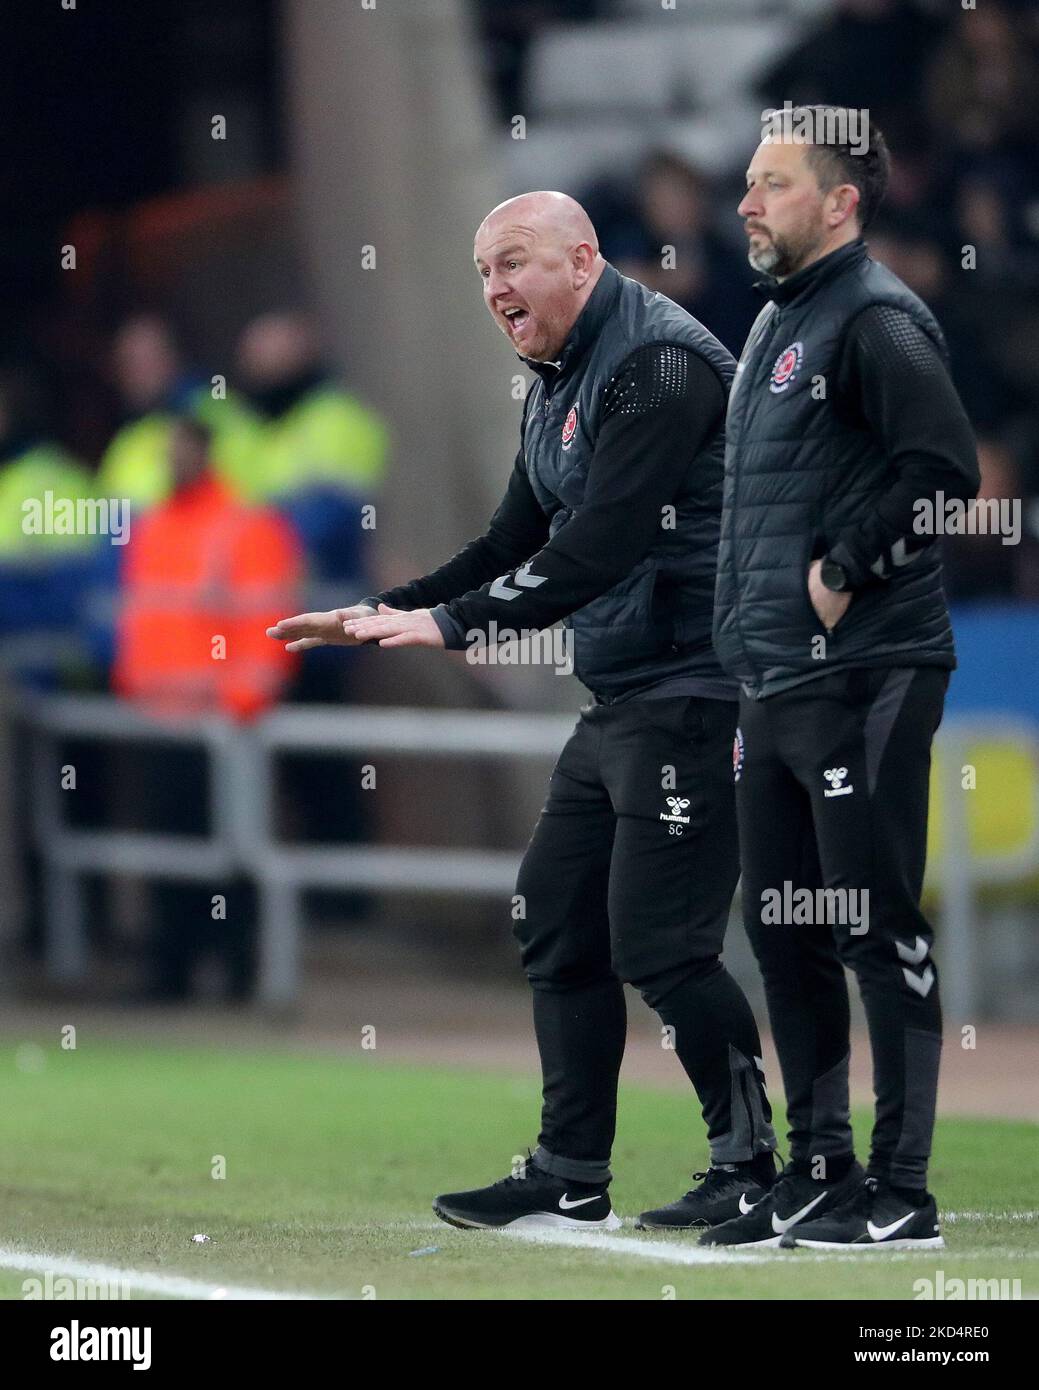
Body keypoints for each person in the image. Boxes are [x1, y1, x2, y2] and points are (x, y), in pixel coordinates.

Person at [269, 190, 778, 1232]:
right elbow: (512, 536)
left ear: (581, 259)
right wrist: (382, 613)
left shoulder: (660, 366)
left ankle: (752, 1162)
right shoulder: (555, 381)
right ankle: (569, 1171)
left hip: (698, 687)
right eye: (482, 272)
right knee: (556, 919)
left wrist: (452, 628)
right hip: (625, 693)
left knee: (663, 944)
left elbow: (598, 546)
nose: (494, 287)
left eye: (512, 262)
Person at [701, 108, 979, 1251]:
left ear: (841, 202)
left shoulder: (874, 316)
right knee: (779, 922)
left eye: (770, 184)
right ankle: (819, 1165)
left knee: (871, 920)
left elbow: (945, 472)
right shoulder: (775, 323)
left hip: (868, 669)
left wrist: (841, 568)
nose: (745, 205)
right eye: (746, 184)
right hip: (772, 676)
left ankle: (902, 1189)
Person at [113, 417, 302, 1000]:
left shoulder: (244, 527)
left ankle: (236, 972)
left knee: (232, 852)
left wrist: (241, 703)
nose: (173, 460)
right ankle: (170, 970)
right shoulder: (155, 527)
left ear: (206, 452)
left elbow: (267, 624)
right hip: (163, 723)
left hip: (224, 724)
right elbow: (145, 617)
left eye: (182, 449)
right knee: (172, 853)